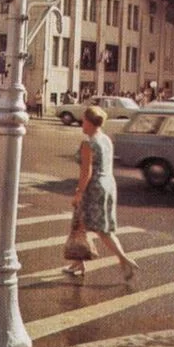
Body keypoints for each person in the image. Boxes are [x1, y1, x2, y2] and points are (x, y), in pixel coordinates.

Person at [62, 105, 139, 280]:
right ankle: (78, 262)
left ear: (90, 122)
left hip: (93, 188)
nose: (82, 123)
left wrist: (79, 193)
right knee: (81, 224)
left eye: (84, 120)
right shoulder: (105, 139)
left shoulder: (88, 143)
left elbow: (86, 171)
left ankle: (124, 259)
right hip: (108, 185)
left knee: (100, 230)